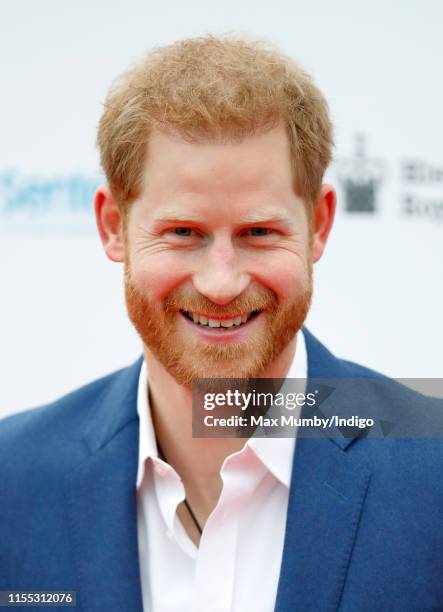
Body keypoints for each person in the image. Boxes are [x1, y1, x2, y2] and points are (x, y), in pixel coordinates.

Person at [1, 35, 443, 612]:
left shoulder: (431, 465)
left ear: (320, 226)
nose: (221, 282)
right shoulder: (12, 478)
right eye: (183, 232)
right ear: (113, 225)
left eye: (259, 232)